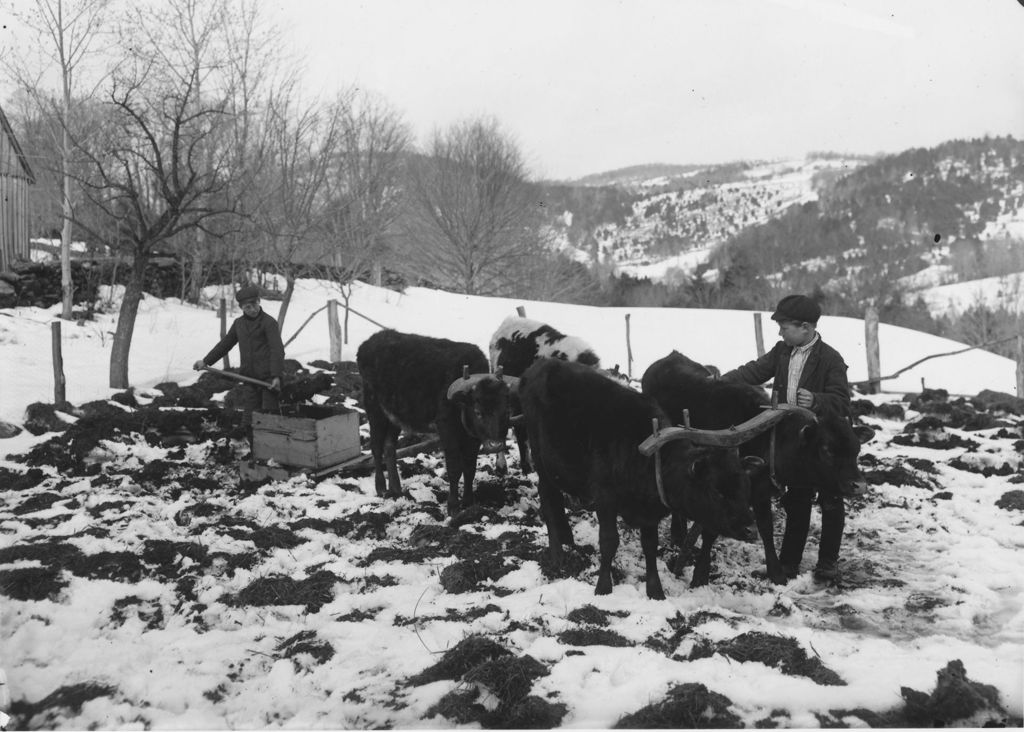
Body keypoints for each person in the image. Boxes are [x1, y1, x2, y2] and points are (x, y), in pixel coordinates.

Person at [720, 294, 852, 582]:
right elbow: (752, 372)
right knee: (798, 499)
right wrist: (717, 383)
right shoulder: (782, 352)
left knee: (831, 501)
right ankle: (789, 563)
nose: (780, 332)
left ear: (805, 327)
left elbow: (842, 401)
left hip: (823, 444)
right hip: (795, 443)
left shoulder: (830, 359)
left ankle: (827, 562)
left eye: (784, 326)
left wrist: (817, 400)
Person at [193, 284, 285, 425]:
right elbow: (225, 345)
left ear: (259, 301)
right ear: (242, 308)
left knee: (269, 420)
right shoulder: (239, 324)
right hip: (249, 378)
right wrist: (206, 361)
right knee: (248, 420)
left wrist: (276, 376)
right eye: (248, 307)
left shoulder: (269, 323)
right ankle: (253, 445)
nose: (253, 309)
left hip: (268, 381)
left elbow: (277, 350)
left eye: (254, 304)